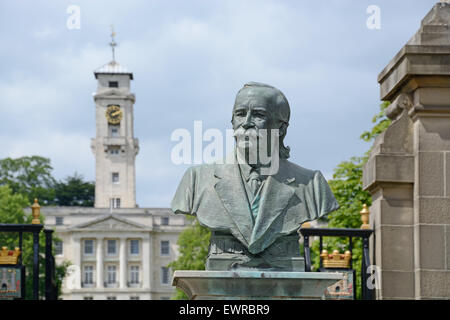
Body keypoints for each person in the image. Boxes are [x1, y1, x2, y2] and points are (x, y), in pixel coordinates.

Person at [171, 82, 339, 271]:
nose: (246, 122)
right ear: (232, 121)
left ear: (281, 128)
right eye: (240, 114)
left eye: (258, 114)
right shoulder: (196, 180)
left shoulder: (311, 184)